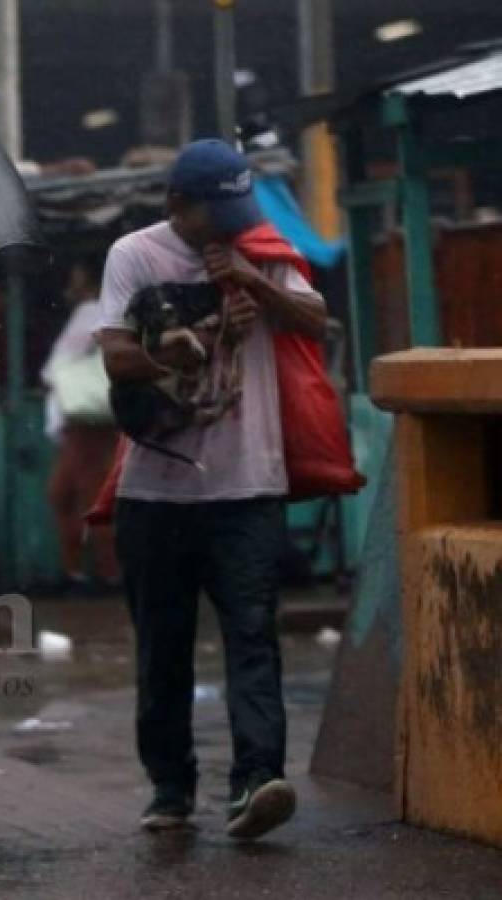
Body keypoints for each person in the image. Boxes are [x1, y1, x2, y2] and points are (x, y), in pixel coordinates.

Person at [93, 140, 327, 840]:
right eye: (213, 213)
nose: (228, 226)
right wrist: (173, 347)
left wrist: (255, 283)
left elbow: (316, 321)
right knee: (161, 646)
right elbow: (113, 354)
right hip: (156, 489)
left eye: (236, 210)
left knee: (253, 636)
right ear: (175, 205)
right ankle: (169, 788)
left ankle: (257, 781)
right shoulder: (133, 255)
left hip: (248, 483)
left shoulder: (262, 247)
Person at [41, 258, 120, 593]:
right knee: (63, 495)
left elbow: (55, 366)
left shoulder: (91, 311)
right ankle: (81, 572)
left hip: (83, 420)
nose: (70, 289)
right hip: (85, 420)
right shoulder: (109, 311)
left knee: (85, 497)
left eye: (76, 280)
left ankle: (106, 573)